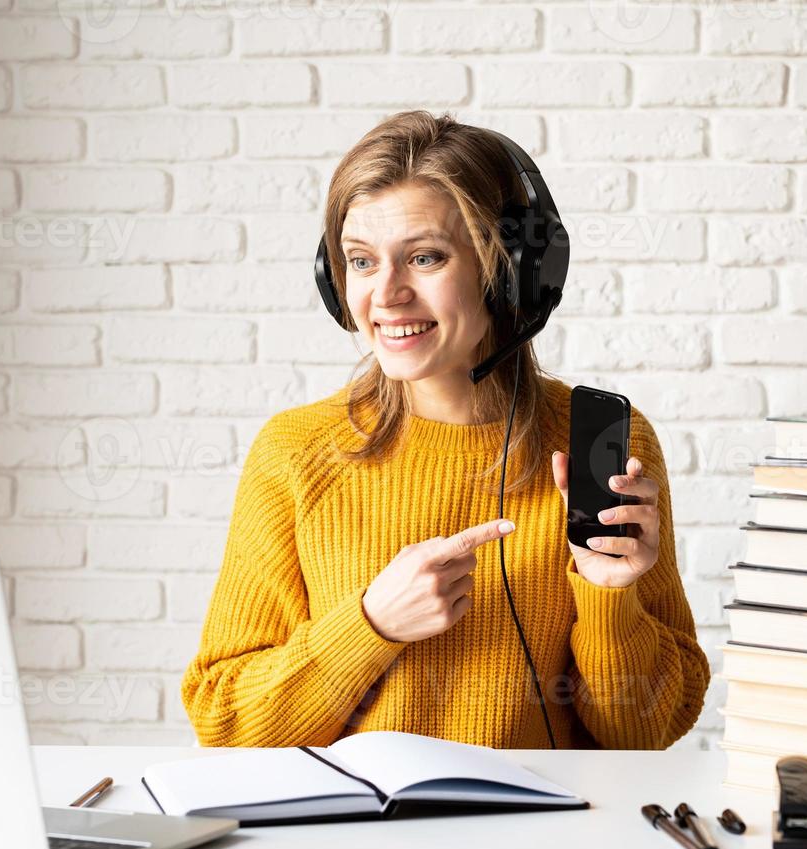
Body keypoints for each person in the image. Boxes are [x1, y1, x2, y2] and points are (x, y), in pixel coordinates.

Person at [181, 110, 708, 750]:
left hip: (543, 844)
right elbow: (227, 722)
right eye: (361, 262)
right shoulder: (296, 453)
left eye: (425, 257)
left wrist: (608, 596)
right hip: (356, 842)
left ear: (510, 271)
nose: (386, 296)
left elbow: (646, 734)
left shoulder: (599, 446)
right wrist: (372, 625)